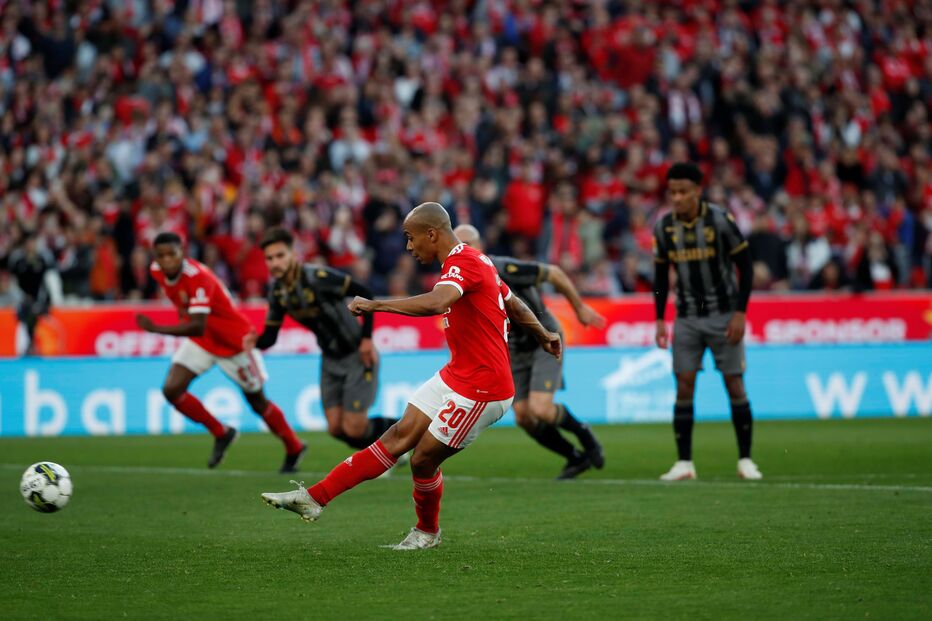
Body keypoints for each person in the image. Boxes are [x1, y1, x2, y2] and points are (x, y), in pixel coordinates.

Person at [260, 202, 561, 549]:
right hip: (458, 374)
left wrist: (376, 304)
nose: (408, 246)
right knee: (398, 436)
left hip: (484, 387)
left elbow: (437, 302)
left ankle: (427, 532)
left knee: (422, 459)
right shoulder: (477, 260)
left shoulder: (464, 263)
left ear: (431, 234)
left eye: (410, 237)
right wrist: (543, 333)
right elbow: (512, 300)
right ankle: (314, 498)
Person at [137, 232, 306, 472]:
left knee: (257, 402)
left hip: (234, 343)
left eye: (171, 255)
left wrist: (156, 329)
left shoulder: (199, 278)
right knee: (172, 389)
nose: (166, 261)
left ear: (182, 253)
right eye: (161, 256)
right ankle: (222, 432)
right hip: (203, 341)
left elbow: (197, 324)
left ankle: (294, 446)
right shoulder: (156, 271)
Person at [453, 224, 606, 479]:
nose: (462, 252)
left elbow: (554, 273)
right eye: (457, 248)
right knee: (524, 416)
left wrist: (578, 308)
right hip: (513, 349)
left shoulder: (504, 269)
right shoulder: (459, 282)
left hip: (543, 339)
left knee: (541, 409)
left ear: (480, 248)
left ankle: (585, 436)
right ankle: (574, 457)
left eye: (467, 246)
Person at [652, 163, 763, 481]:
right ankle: (684, 463)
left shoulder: (720, 220)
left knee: (734, 383)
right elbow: (661, 275)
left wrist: (740, 312)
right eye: (672, 192)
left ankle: (745, 460)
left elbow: (747, 266)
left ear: (697, 191)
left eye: (683, 191)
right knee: (683, 385)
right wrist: (660, 318)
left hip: (724, 315)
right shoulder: (664, 228)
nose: (677, 198)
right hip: (686, 316)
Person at [247, 227, 398, 451]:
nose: (275, 262)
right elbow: (270, 337)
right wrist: (252, 342)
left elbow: (365, 292)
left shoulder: (317, 277)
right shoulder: (278, 293)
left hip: (356, 352)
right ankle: (389, 453)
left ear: (293, 255)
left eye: (280, 256)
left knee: (354, 428)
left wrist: (366, 339)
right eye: (269, 258)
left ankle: (404, 433)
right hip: (330, 359)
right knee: (336, 428)